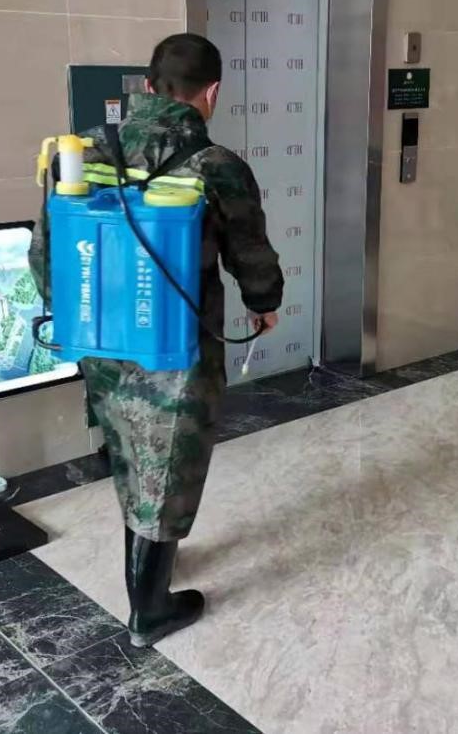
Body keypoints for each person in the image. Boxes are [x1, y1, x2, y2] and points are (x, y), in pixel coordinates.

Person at [29, 33, 283, 647]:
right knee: (168, 462)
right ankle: (149, 611)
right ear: (212, 92)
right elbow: (249, 251)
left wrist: (77, 317)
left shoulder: (82, 151)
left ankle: (154, 564)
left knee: (128, 450)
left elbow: (46, 254)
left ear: (146, 87)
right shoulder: (216, 165)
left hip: (101, 338)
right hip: (176, 344)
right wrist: (264, 305)